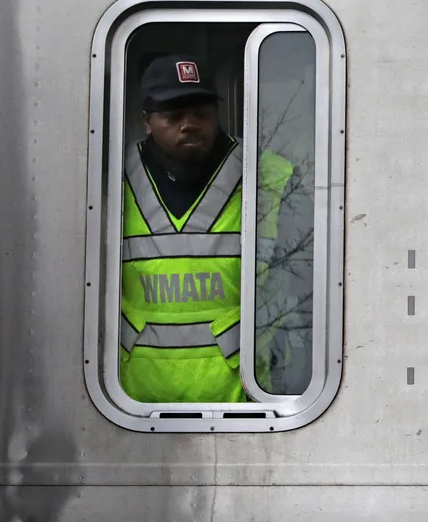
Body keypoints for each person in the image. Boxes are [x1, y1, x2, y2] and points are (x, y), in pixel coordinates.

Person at [118, 54, 296, 403]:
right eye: (173, 116)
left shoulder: (270, 175)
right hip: (130, 400)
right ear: (147, 121)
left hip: (245, 394)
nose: (190, 124)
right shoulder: (109, 176)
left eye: (202, 114)